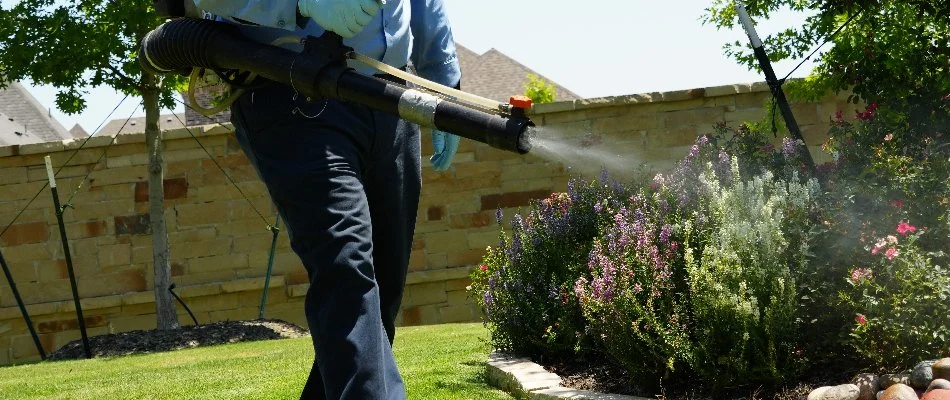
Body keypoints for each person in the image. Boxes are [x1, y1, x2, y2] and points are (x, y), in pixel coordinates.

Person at [191, 0, 461, 398]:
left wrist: (444, 81)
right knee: (345, 271)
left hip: (390, 98)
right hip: (291, 91)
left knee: (380, 295)